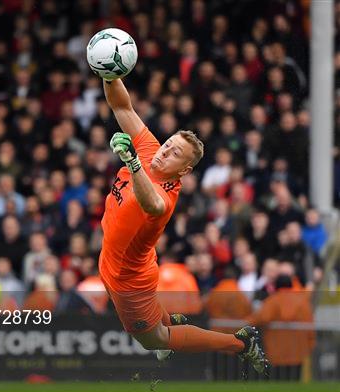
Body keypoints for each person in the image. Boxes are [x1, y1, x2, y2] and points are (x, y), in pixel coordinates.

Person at [99, 77, 267, 373]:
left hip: (129, 280)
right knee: (159, 330)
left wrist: (133, 163)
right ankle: (169, 320)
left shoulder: (166, 194)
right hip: (120, 261)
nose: (165, 151)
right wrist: (108, 73)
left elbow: (152, 203)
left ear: (185, 171)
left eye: (175, 153)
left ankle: (241, 344)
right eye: (169, 144)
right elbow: (121, 105)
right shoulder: (150, 149)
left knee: (155, 341)